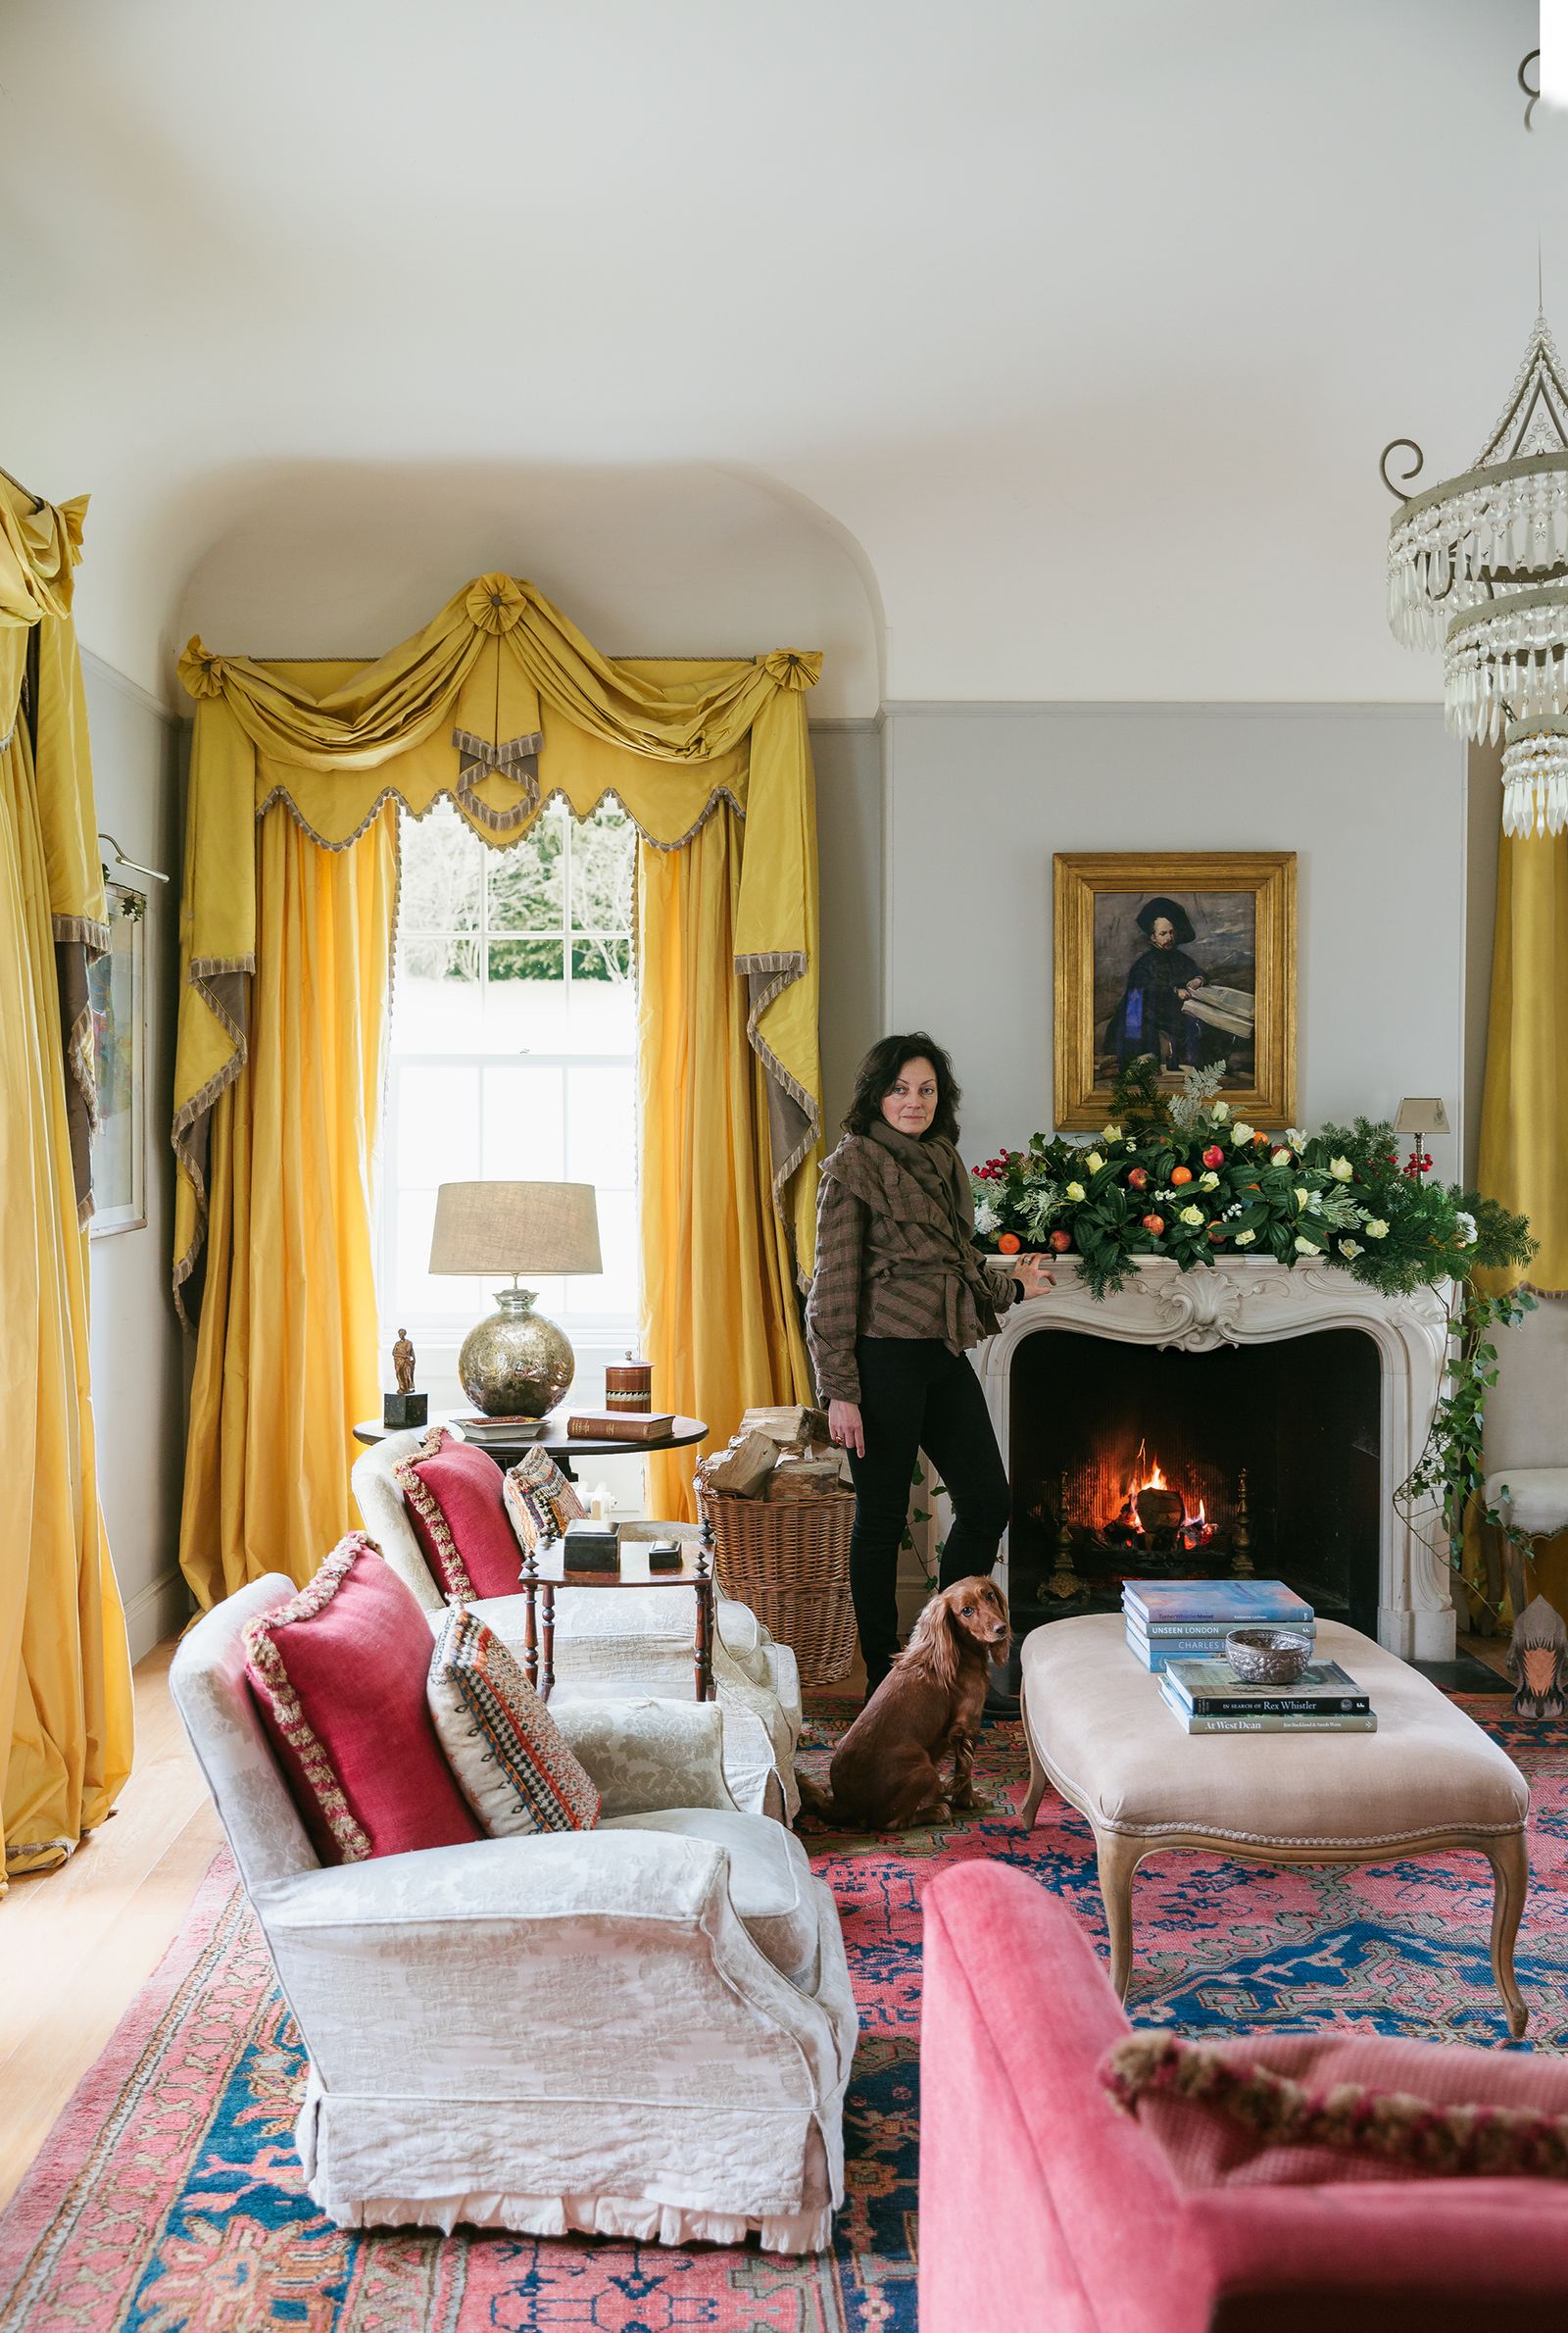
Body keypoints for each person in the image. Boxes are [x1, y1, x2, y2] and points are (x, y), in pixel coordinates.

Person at [806, 1033, 1053, 1696]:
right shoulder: (851, 1169)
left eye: (926, 1089)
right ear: (875, 1094)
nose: (913, 1101)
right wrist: (840, 1391)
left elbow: (960, 1264)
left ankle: (937, 1648)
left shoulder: (943, 1162)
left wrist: (1015, 1286)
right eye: (899, 1089)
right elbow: (831, 1288)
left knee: (987, 1501)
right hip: (879, 1360)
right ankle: (888, 1677)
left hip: (942, 1352)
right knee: (882, 1518)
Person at [1102, 895, 1207, 1071]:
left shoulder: (1180, 958)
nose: (1169, 938)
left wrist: (1198, 979)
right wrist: (1175, 991)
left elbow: (1200, 972)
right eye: (1163, 934)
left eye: (1171, 932)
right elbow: (1143, 991)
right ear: (1153, 938)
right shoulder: (1144, 963)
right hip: (1147, 1011)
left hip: (1173, 1011)